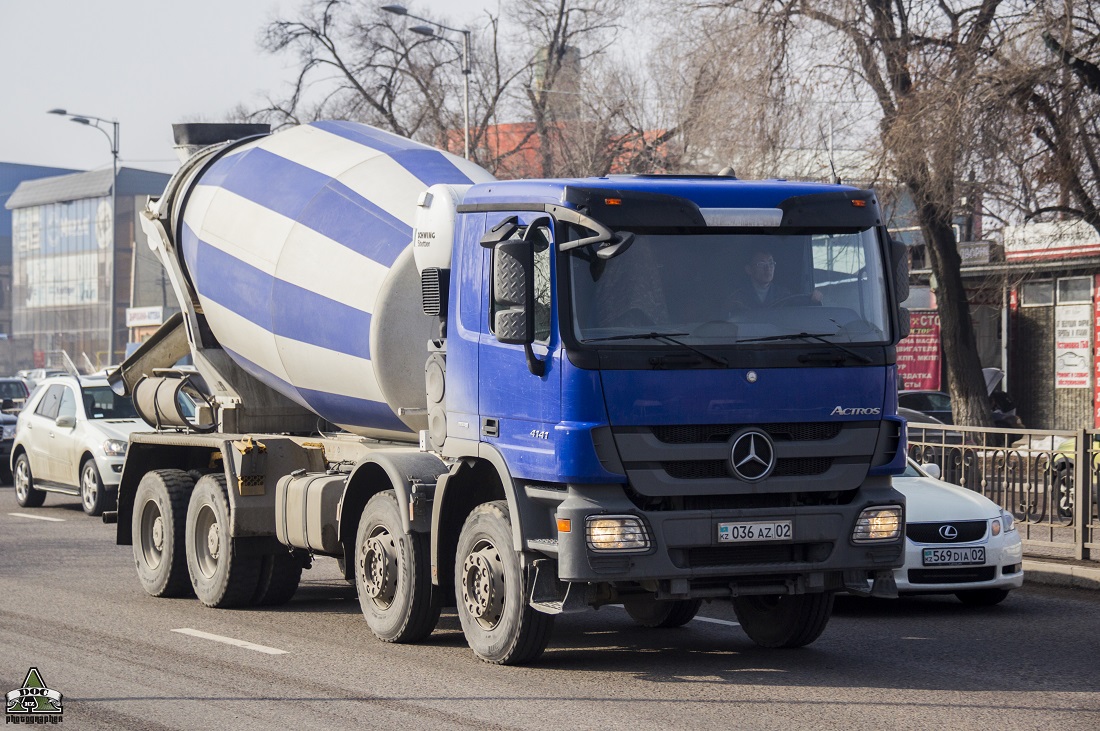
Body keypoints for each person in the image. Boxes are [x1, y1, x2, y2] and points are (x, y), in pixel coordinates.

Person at [731, 249, 822, 309]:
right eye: (761, 264)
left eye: (771, 263)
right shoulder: (737, 298)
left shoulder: (784, 295)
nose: (768, 268)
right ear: (749, 269)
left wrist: (813, 301)